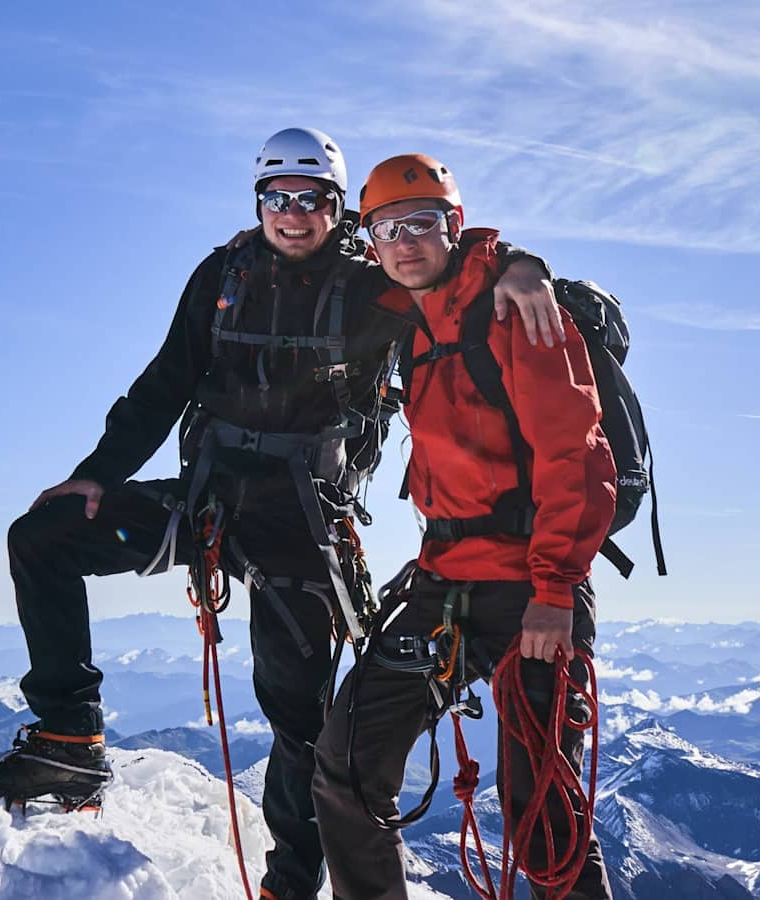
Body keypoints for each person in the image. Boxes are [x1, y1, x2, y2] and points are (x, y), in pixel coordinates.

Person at [0, 129, 561, 900]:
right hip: (208, 506)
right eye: (280, 199)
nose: (295, 214)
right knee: (43, 538)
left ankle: (289, 887)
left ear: (340, 211)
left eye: (314, 201)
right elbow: (163, 384)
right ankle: (68, 736)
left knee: (298, 721)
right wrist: (95, 477)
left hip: (303, 529)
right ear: (259, 203)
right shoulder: (222, 275)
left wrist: (520, 266)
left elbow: (444, 266)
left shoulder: (375, 283)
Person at [310, 154, 618, 899]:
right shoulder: (409, 318)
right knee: (346, 768)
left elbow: (576, 455)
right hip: (445, 582)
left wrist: (554, 590)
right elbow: (312, 265)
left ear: (454, 226)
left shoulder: (517, 311)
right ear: (371, 240)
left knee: (538, 810)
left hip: (532, 593)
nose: (405, 241)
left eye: (422, 224)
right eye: (388, 228)